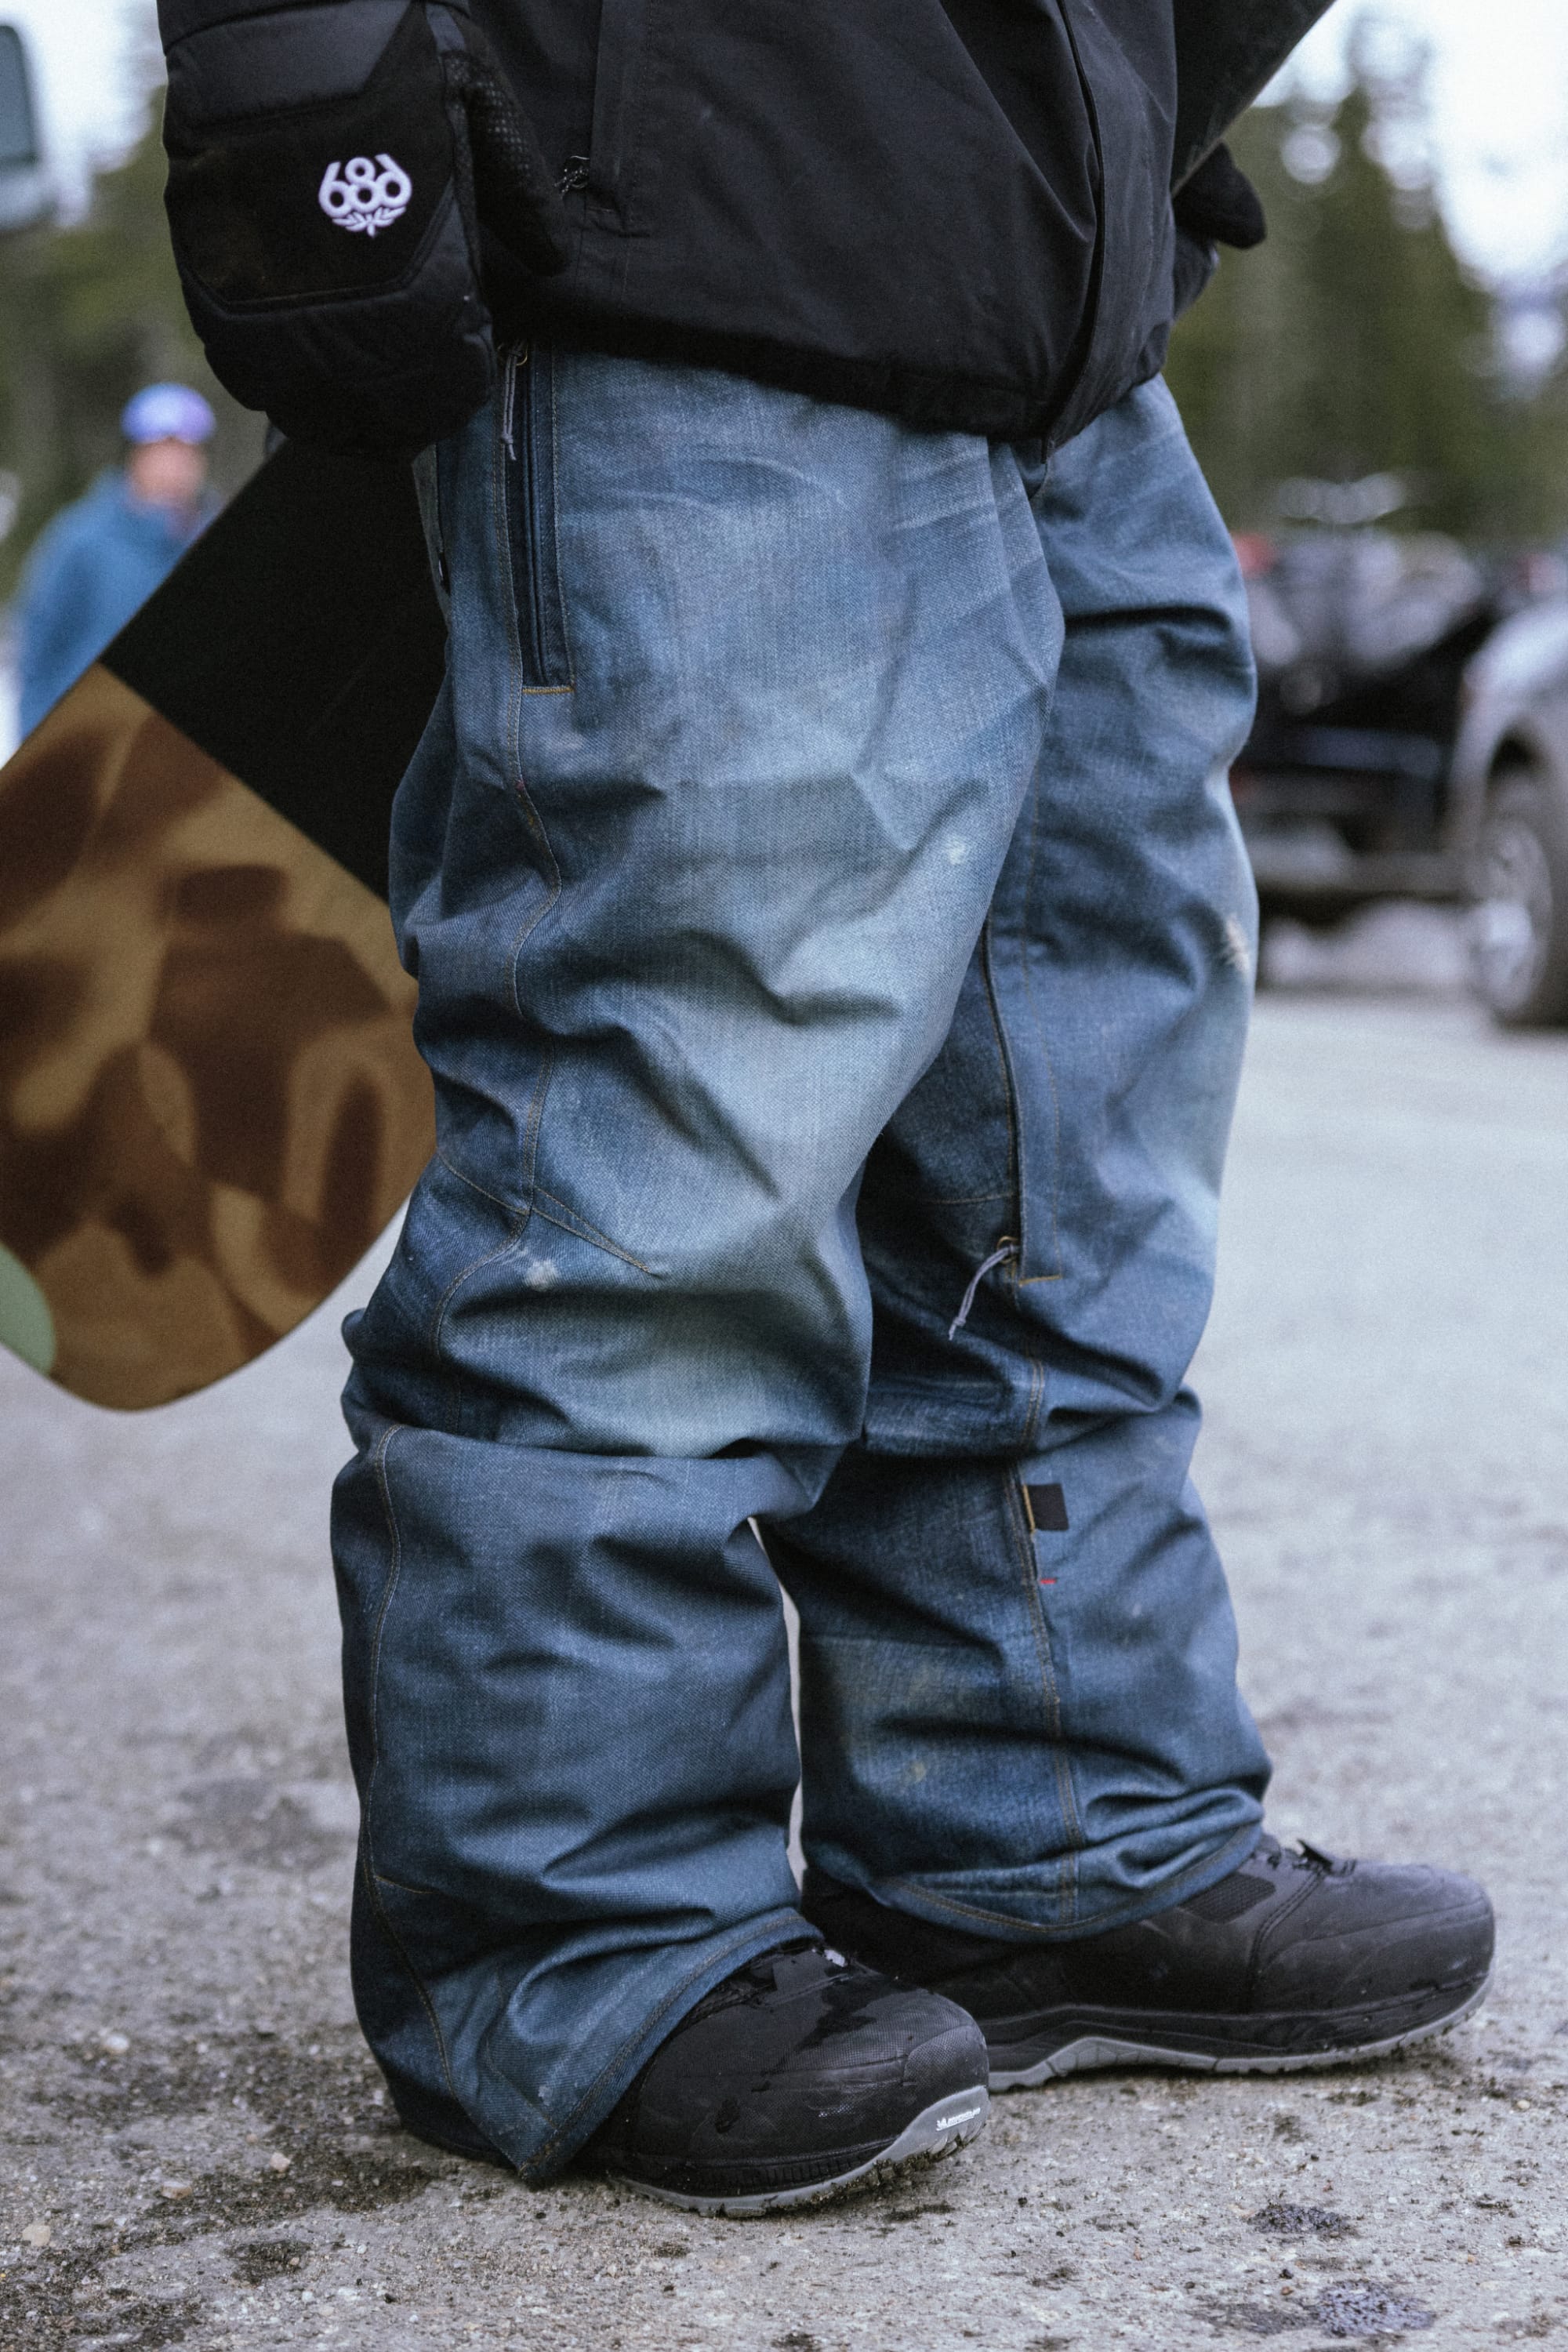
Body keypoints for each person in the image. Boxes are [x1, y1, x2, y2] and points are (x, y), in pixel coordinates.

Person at [155, 0, 1494, 2215]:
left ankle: (1041, 1835)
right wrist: (303, 78)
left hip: (1065, 290)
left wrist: (1152, 94)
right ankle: (576, 1937)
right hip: (694, 220)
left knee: (1063, 1149)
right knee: (673, 1152)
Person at [13, 382, 216, 736]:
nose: (174, 465)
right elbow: (38, 653)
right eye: (162, 450)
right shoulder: (80, 539)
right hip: (89, 742)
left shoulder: (215, 537)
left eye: (185, 451)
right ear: (136, 456)